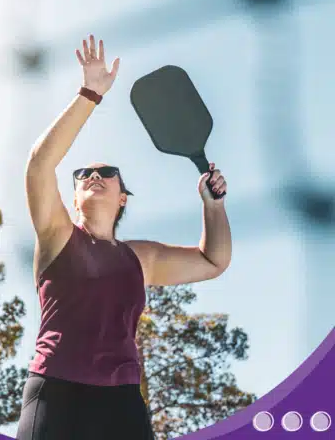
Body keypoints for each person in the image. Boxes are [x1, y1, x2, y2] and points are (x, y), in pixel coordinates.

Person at [14, 35, 232, 440]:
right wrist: (89, 94)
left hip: (122, 401)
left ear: (123, 196)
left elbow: (213, 261)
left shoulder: (141, 258)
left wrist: (213, 206)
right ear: (74, 197)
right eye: (83, 175)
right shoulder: (57, 235)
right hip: (55, 392)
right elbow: (40, 165)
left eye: (106, 172)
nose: (94, 176)